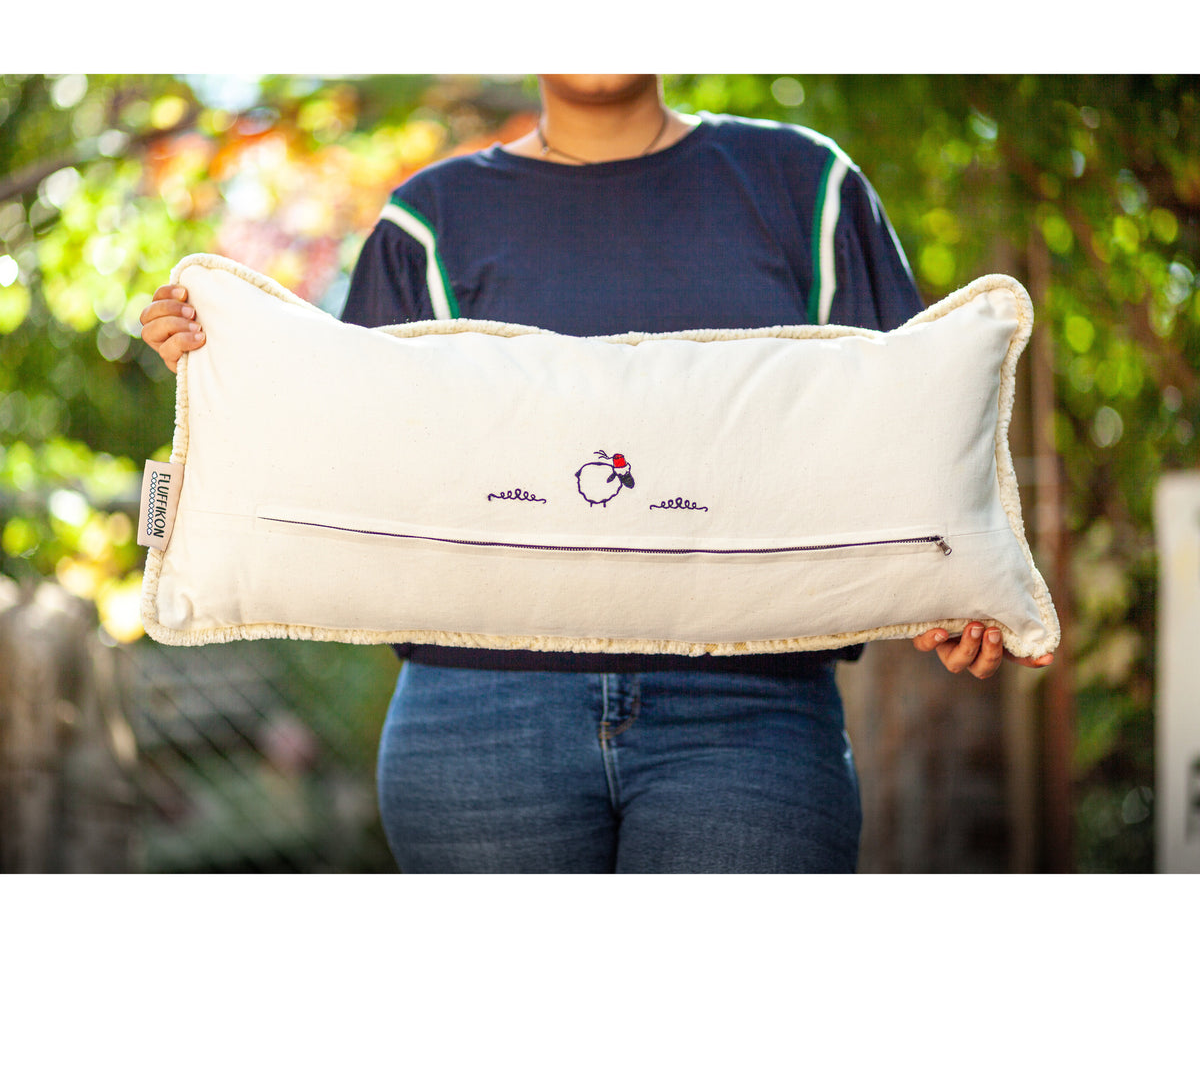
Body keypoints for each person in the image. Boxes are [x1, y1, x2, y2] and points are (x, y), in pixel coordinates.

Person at [139, 74, 1054, 873]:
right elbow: (352, 454)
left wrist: (939, 587)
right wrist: (216, 356)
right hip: (478, 718)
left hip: (751, 714)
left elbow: (900, 439)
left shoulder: (806, 187)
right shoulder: (430, 219)